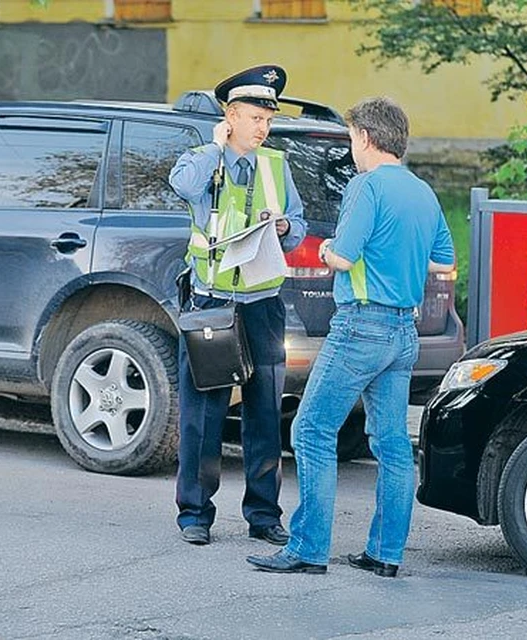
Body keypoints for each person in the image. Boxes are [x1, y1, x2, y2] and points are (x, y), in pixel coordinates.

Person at [247, 97, 455, 575]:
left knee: (311, 430)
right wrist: (394, 261)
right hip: (405, 331)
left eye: (350, 139)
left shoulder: (366, 186)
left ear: (364, 137)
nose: (351, 149)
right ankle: (385, 554)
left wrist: (325, 251)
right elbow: (443, 260)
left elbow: (342, 257)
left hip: (360, 325)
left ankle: (308, 549)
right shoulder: (423, 191)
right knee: (391, 444)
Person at [168, 64, 307, 546]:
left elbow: (300, 221)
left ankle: (264, 515)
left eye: (267, 120)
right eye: (253, 118)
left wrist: (288, 228)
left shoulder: (276, 164)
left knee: (266, 413)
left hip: (263, 306)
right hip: (212, 302)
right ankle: (194, 514)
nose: (263, 128)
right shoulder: (201, 160)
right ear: (230, 117)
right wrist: (215, 146)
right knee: (202, 414)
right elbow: (184, 189)